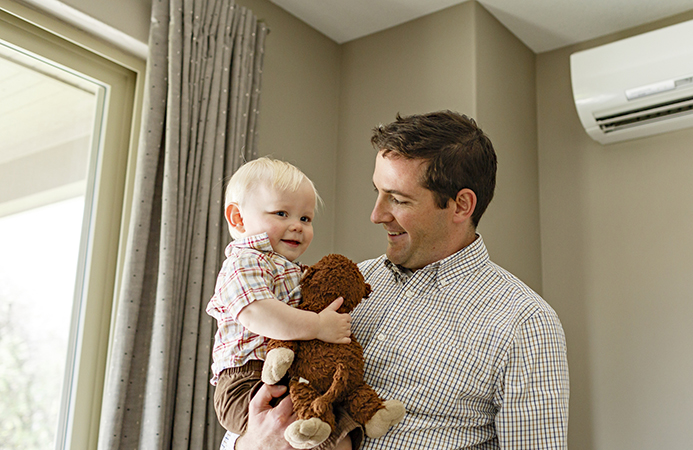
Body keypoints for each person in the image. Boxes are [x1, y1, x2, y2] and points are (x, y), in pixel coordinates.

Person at [226, 111, 569, 449]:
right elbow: (255, 406)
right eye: (377, 192)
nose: (376, 215)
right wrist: (251, 444)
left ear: (461, 206)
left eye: (398, 199)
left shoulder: (526, 324)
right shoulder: (344, 282)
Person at [207, 156, 354, 443]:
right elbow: (260, 314)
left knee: (338, 424)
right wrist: (318, 325)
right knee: (295, 429)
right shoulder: (244, 262)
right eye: (281, 214)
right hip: (246, 379)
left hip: (288, 372)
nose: (297, 226)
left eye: (305, 218)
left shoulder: (289, 269)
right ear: (238, 218)